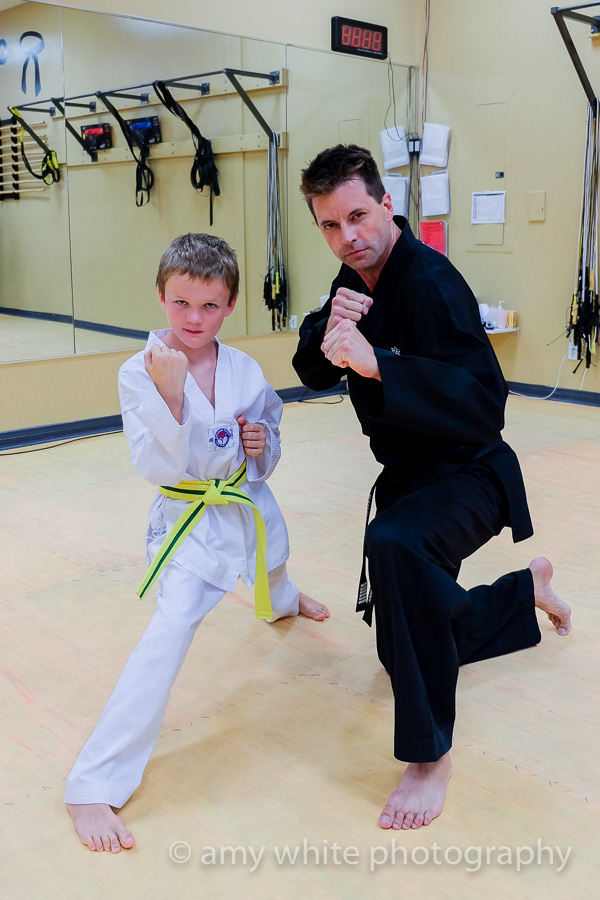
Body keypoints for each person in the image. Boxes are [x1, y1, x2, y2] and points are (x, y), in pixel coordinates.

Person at [292, 144, 571, 832]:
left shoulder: (432, 282)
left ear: (386, 205)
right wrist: (328, 328)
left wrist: (380, 365)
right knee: (401, 652)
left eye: (358, 216)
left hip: (471, 472)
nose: (347, 235)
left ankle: (429, 757)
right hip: (410, 478)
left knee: (394, 544)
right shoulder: (355, 278)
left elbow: (484, 404)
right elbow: (313, 368)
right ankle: (523, 593)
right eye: (330, 225)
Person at [65, 232, 329, 853]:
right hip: (192, 518)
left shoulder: (243, 368)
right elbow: (155, 464)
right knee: (170, 630)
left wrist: (261, 443)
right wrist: (171, 392)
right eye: (181, 303)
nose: (193, 318)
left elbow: (268, 423)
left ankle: (283, 602)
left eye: (209, 306)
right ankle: (93, 783)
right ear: (161, 296)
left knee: (274, 562)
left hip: (246, 499)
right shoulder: (140, 372)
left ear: (230, 305)